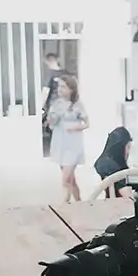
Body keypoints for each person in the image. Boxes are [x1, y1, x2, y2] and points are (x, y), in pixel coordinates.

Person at [46, 75, 89, 203]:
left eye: (63, 87)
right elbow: (51, 124)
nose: (60, 89)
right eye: (59, 86)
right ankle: (79, 202)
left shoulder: (77, 104)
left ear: (71, 89)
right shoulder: (56, 104)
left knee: (65, 179)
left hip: (73, 145)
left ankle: (65, 205)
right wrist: (50, 118)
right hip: (60, 144)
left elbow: (87, 123)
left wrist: (76, 127)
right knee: (71, 180)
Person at [94, 127, 134, 199]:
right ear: (120, 148)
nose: (128, 152)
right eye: (128, 147)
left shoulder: (102, 162)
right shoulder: (111, 167)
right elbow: (129, 197)